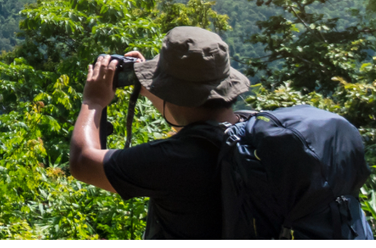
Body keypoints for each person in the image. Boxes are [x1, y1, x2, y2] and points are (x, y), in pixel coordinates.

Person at [67, 26, 250, 239]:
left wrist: (93, 102)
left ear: (173, 92)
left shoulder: (173, 160)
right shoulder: (253, 129)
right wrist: (153, 88)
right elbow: (194, 123)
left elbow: (82, 162)